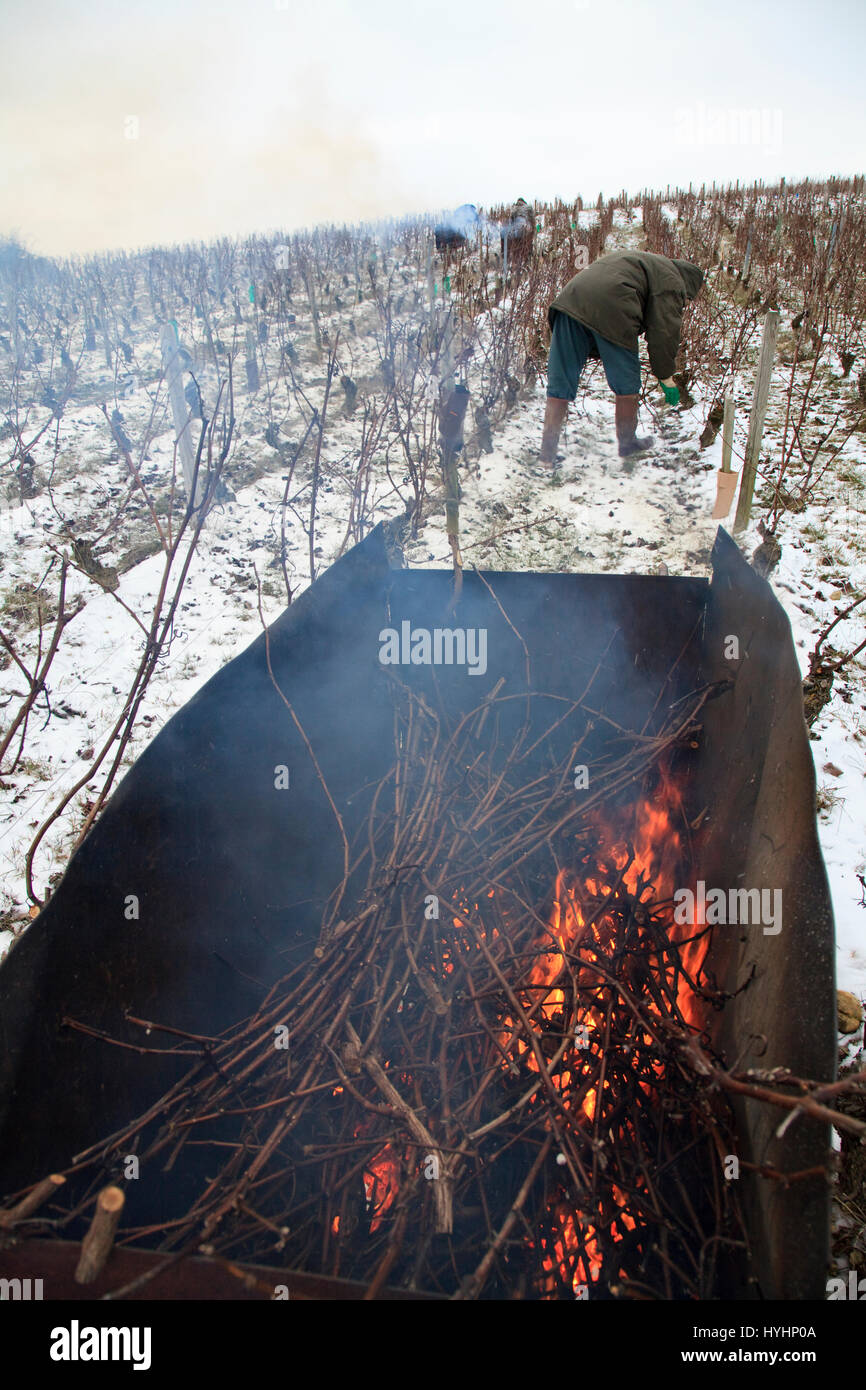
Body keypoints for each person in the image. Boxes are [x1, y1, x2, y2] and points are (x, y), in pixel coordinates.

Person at [540, 250, 704, 463]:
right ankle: (627, 444)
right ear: (688, 285)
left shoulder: (648, 264)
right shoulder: (671, 281)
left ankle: (547, 454)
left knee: (560, 380)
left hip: (571, 300)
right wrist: (665, 376)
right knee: (626, 381)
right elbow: (663, 332)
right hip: (613, 303)